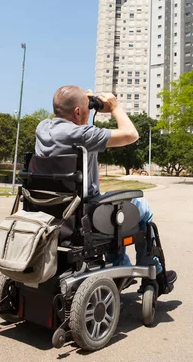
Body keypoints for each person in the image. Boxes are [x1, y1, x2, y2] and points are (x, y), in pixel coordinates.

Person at [35, 85, 177, 294]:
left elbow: (70, 117)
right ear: (77, 112)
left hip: (52, 213)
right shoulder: (83, 135)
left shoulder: (43, 128)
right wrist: (114, 108)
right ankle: (154, 274)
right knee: (142, 208)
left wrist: (85, 103)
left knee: (115, 210)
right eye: (84, 108)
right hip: (85, 216)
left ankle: (121, 267)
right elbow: (131, 134)